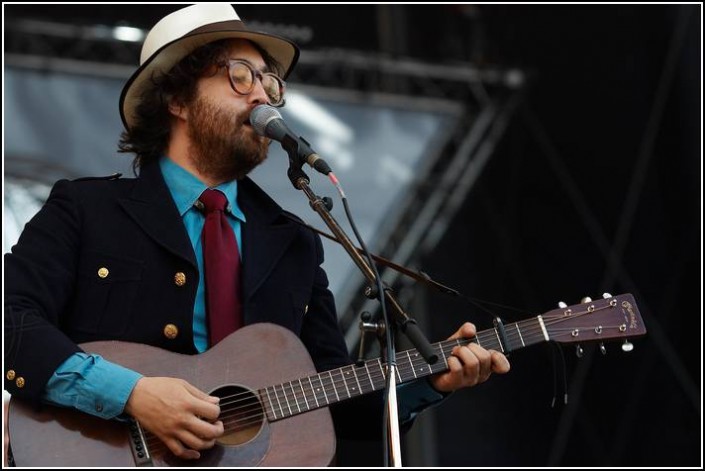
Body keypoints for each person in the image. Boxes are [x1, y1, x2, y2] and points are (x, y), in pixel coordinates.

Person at [3, 3, 510, 464]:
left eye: (270, 82)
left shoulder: (293, 243)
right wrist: (132, 394)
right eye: (240, 76)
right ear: (177, 98)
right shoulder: (88, 209)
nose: (263, 95)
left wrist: (428, 382)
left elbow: (333, 404)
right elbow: (12, 321)